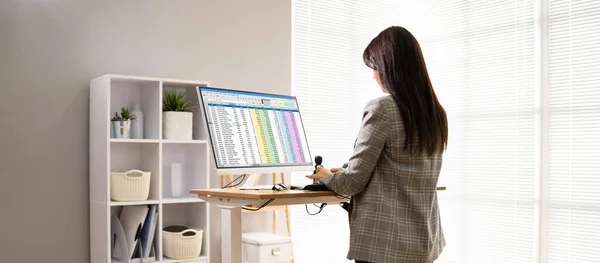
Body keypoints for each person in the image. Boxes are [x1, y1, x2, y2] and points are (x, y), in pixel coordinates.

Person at [306, 25, 448, 263]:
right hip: (423, 244)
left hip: (386, 246)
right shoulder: (435, 113)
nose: (373, 75)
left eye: (374, 67)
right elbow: (403, 170)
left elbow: (351, 183)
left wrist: (325, 175)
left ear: (389, 67)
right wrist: (346, 172)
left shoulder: (383, 108)